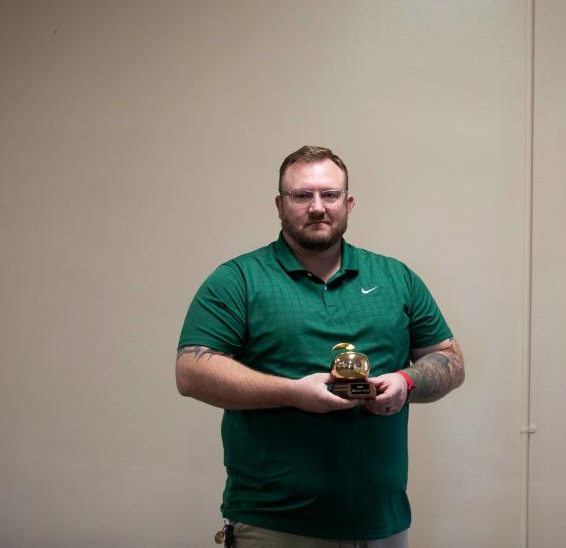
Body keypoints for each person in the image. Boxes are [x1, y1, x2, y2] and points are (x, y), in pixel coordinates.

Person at [176, 146, 465, 547]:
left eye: (329, 195)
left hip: (383, 524)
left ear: (348, 203)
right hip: (275, 526)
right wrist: (292, 393)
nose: (317, 207)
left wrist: (406, 382)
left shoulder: (396, 278)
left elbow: (449, 359)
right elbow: (192, 373)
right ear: (280, 205)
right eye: (301, 196)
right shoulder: (238, 279)